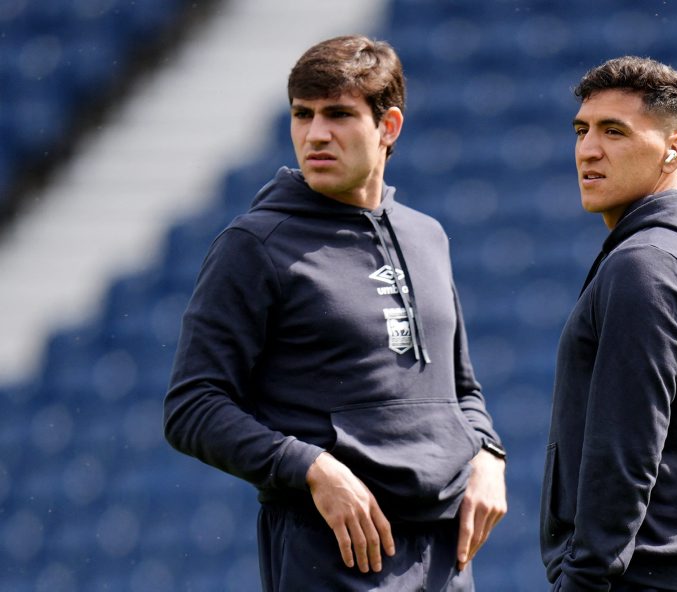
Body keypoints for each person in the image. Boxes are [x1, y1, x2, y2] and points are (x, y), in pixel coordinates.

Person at [164, 35, 507, 592]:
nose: (316, 134)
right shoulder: (253, 245)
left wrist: (489, 452)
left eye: (339, 115)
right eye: (303, 114)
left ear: (388, 126)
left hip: (447, 558)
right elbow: (192, 406)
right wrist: (311, 468)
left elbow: (461, 389)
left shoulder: (427, 236)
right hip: (333, 552)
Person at [540, 56, 677, 591]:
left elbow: (624, 455)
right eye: (582, 130)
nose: (588, 149)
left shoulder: (645, 265)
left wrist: (582, 581)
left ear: (673, 150)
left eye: (614, 131)